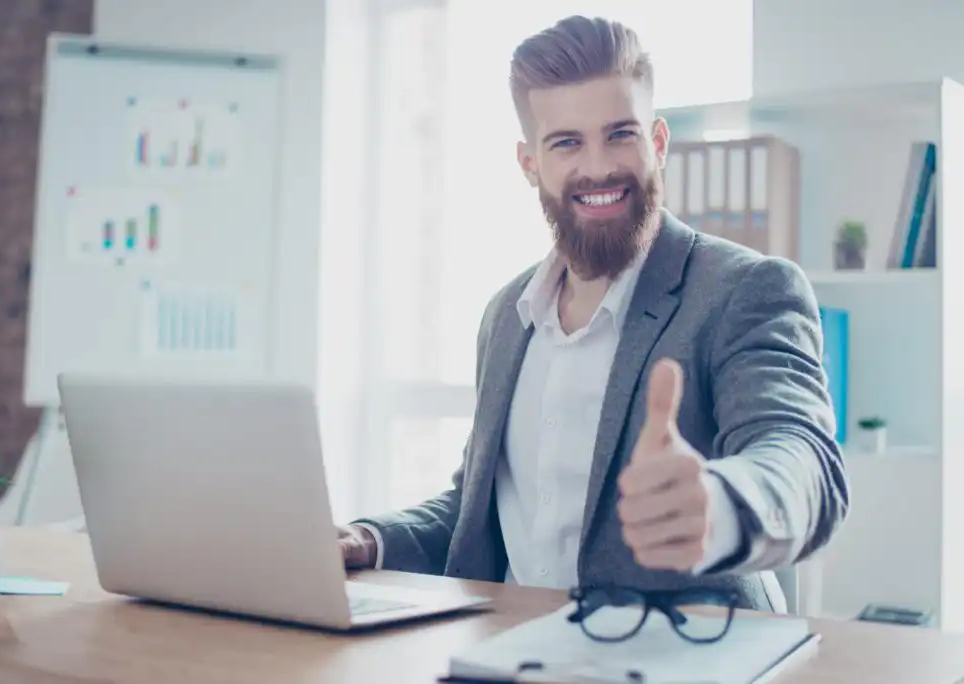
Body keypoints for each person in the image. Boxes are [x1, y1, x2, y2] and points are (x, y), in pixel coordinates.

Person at [336, 14, 850, 612]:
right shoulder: (506, 316)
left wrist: (721, 501)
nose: (599, 166)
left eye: (620, 135)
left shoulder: (746, 289)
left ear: (657, 144)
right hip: (516, 653)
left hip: (684, 660)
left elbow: (802, 456)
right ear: (530, 165)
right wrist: (369, 539)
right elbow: (479, 508)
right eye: (567, 142)